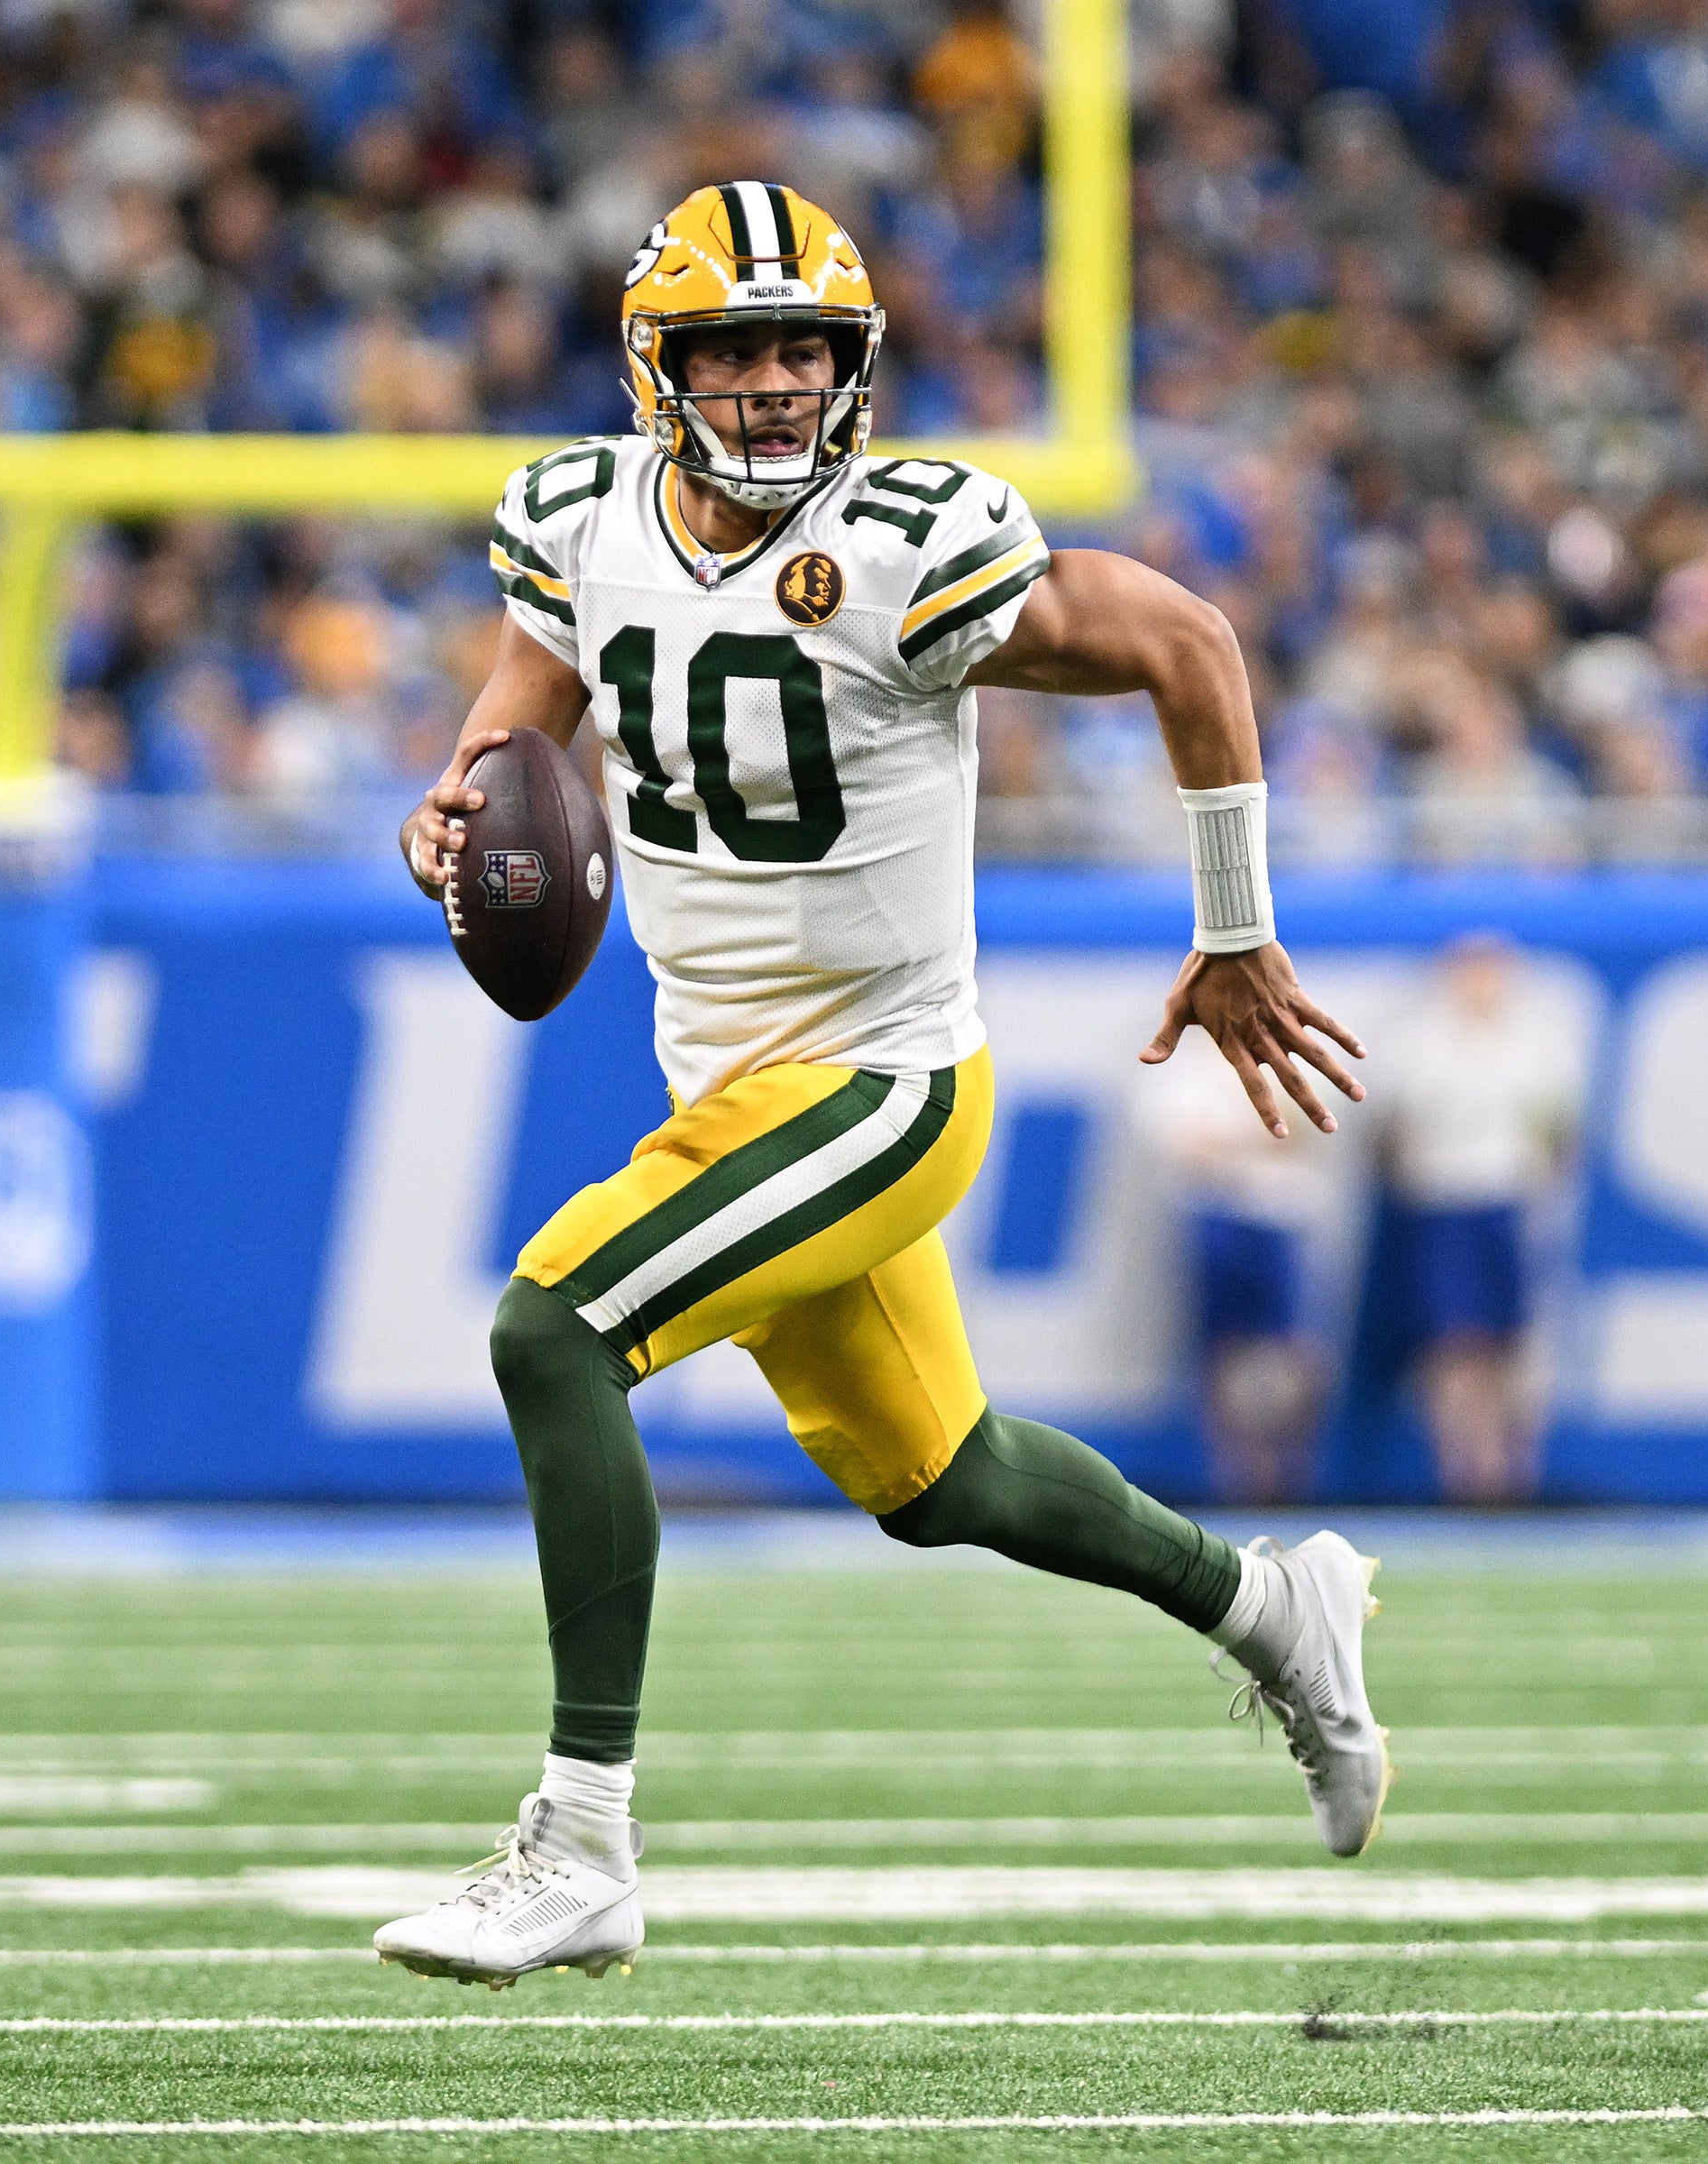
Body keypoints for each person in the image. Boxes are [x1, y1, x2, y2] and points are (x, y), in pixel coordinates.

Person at [381, 183, 1382, 1988]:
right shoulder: (578, 524)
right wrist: (452, 811)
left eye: (804, 351)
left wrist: (1233, 925)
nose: (772, 385)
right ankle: (1273, 1608)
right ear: (652, 365)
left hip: (881, 1085)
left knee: (553, 1331)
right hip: (732, 1082)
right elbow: (515, 721)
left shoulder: (918, 540)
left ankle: (584, 1839)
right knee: (941, 1478)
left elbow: (1187, 647)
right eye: (734, 350)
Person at [1374, 932, 1584, 1504]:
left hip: (1508, 1199)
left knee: (1511, 1346)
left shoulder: (1535, 1043)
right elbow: (1392, 1132)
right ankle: (1463, 1472)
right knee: (1454, 1345)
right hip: (1442, 1200)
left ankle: (1512, 1473)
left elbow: (1561, 1133)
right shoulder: (1422, 1042)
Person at [1135, 1044, 1332, 1502]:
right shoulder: (1182, 1064)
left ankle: (1289, 1475)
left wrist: (1234, 1142)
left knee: (1294, 1353)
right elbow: (1188, 1147)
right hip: (1218, 1216)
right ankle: (1239, 1477)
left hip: (1282, 1216)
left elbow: (1305, 1126)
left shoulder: (1289, 1052)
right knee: (1223, 1352)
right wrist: (1256, 1137)